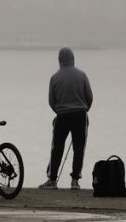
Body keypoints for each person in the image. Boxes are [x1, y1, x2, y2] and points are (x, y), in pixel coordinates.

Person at [39, 47, 93, 190]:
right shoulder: (82, 75)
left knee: (56, 148)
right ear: (73, 59)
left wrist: (59, 110)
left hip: (62, 115)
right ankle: (75, 181)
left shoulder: (55, 77)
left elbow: (51, 101)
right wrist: (84, 109)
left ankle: (52, 180)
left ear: (60, 60)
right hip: (80, 115)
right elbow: (90, 97)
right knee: (79, 148)